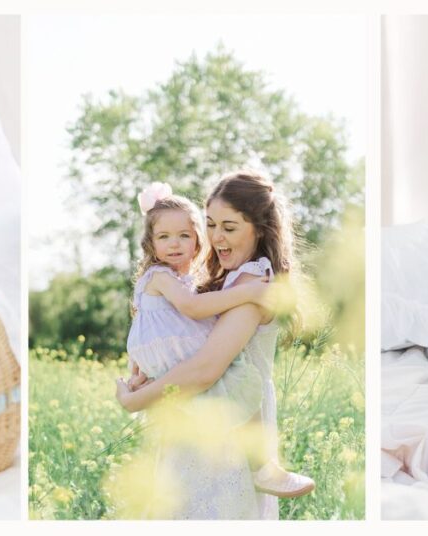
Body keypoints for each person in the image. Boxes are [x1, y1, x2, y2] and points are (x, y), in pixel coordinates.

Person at [116, 171, 311, 518]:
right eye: (210, 225)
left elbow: (205, 369)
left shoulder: (253, 282)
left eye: (229, 227)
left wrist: (133, 401)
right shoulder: (224, 279)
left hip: (228, 433)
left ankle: (265, 466)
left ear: (260, 228)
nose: (217, 237)